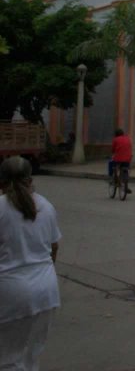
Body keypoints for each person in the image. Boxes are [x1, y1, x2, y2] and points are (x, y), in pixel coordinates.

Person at [0, 156, 61, 371]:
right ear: (30, 179)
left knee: (7, 359)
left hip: (12, 291)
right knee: (30, 358)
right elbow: (53, 248)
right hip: (47, 291)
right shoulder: (46, 206)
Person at [111, 128, 132, 193]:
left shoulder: (115, 140)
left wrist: (112, 153)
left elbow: (113, 150)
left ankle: (116, 180)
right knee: (125, 170)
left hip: (118, 158)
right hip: (127, 158)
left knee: (114, 168)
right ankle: (126, 186)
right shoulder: (128, 139)